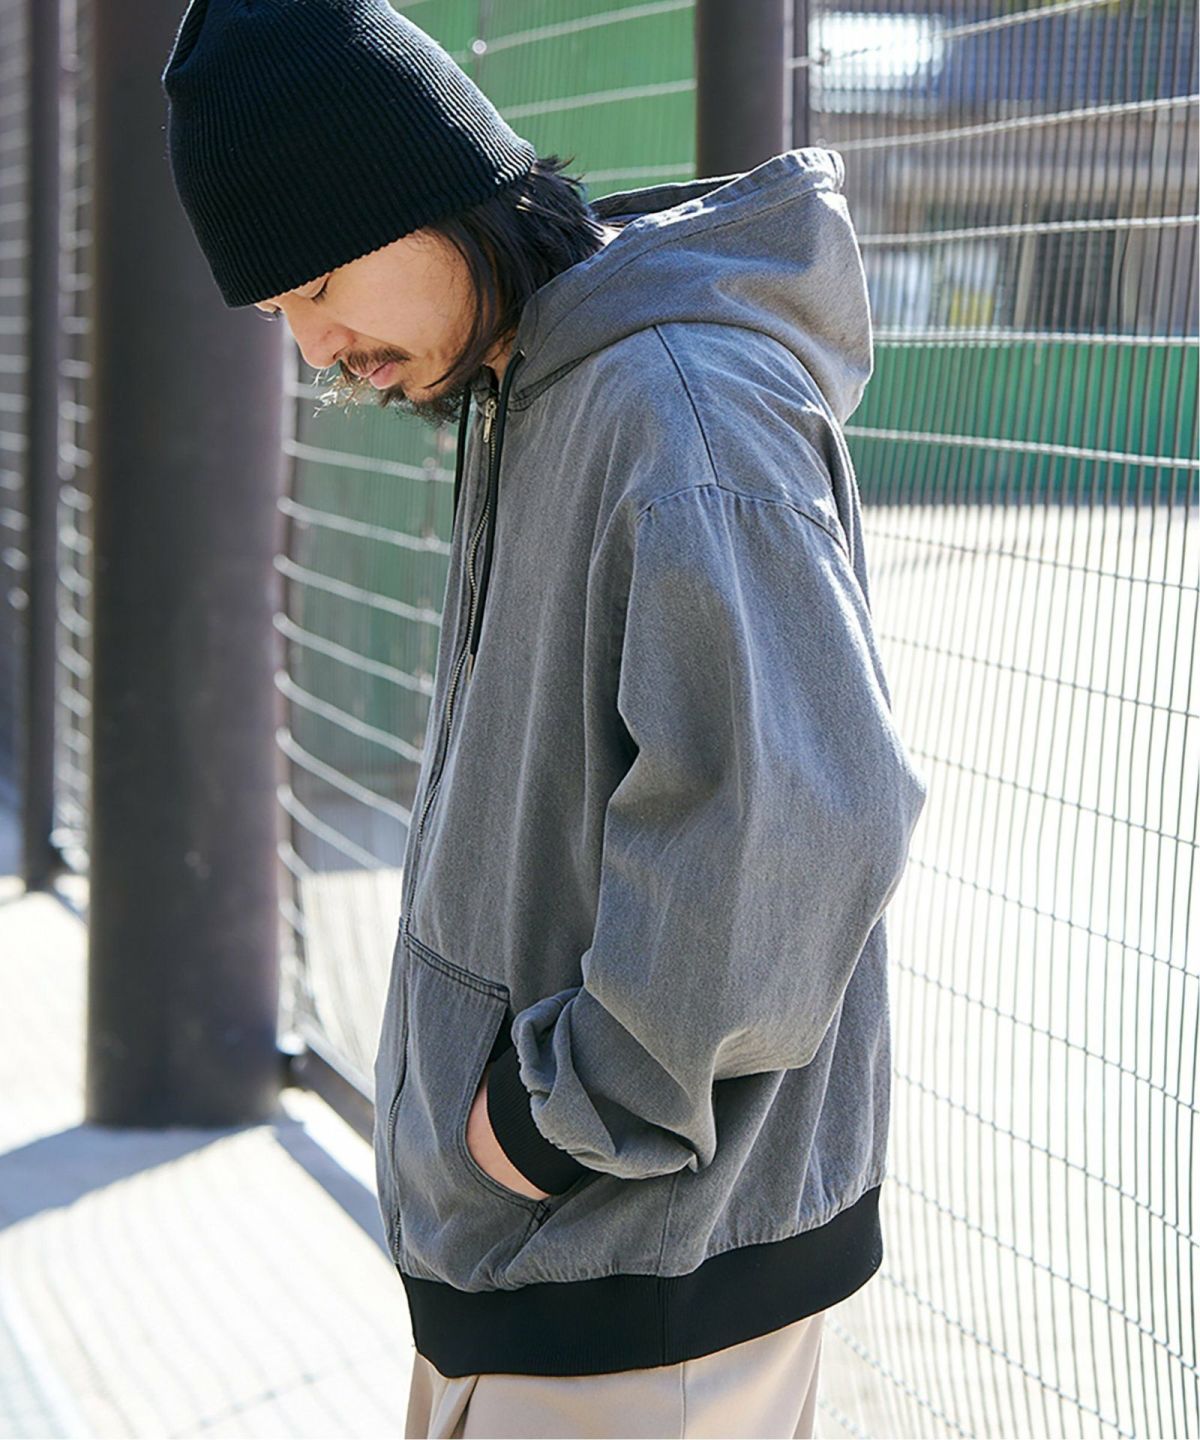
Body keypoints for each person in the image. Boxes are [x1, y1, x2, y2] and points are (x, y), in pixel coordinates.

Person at [161, 3, 930, 1436]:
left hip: (643, 1286)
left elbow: (800, 824)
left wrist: (550, 1120)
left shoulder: (677, 408)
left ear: (437, 194)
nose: (317, 346)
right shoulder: (542, 382)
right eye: (276, 313)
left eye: (318, 279)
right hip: (560, 1265)